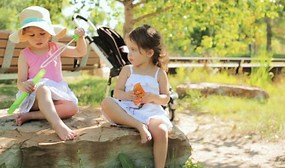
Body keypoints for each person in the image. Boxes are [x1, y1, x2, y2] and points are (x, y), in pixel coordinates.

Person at [9, 6, 87, 141]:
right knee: (43, 89)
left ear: (50, 33)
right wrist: (24, 85)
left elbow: (79, 52)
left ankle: (32, 116)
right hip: (34, 97)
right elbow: (20, 82)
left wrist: (80, 38)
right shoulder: (25, 55)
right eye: (32, 35)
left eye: (42, 33)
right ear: (25, 36)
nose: (37, 38)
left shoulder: (55, 48)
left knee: (72, 108)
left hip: (55, 94)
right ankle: (58, 125)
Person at [101, 24, 172, 168]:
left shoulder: (159, 73)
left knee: (162, 131)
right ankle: (139, 126)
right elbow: (117, 92)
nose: (129, 54)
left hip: (150, 113)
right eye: (129, 49)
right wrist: (128, 96)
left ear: (149, 53)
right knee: (107, 102)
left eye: (133, 50)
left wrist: (153, 97)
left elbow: (166, 98)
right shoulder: (128, 70)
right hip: (128, 110)